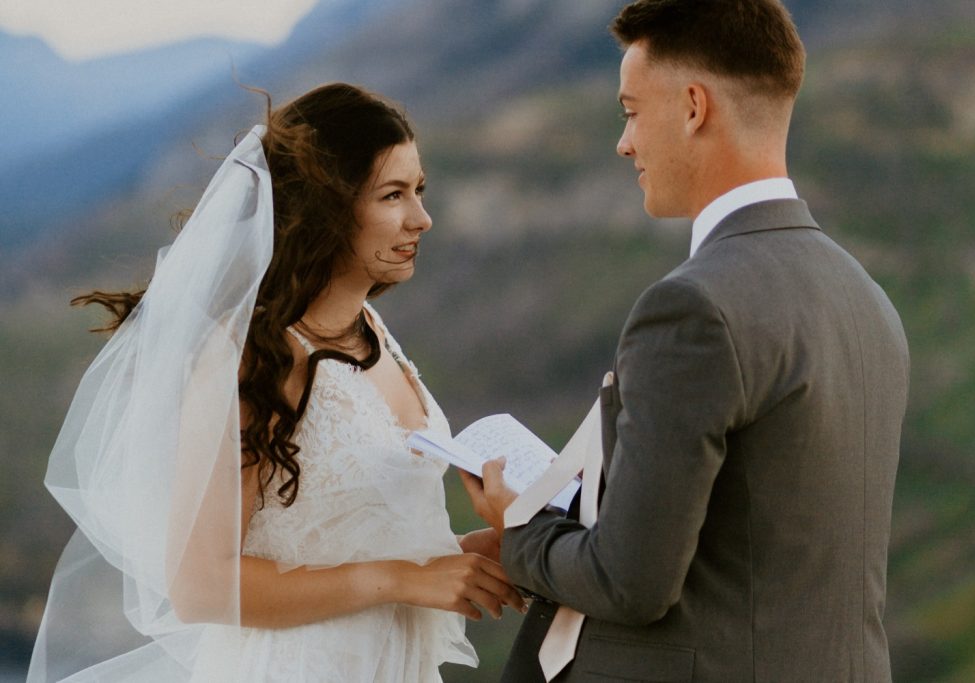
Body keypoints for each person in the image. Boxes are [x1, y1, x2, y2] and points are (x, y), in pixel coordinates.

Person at [461, 1, 910, 681]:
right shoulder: (869, 301)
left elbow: (630, 581)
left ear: (694, 107)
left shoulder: (692, 307)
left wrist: (522, 527)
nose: (625, 142)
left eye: (631, 111)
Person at [28, 82, 523, 683]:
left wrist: (473, 558)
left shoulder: (372, 329)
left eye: (419, 191)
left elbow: (351, 539)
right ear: (327, 207)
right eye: (393, 195)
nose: (421, 217)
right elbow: (203, 586)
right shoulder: (252, 359)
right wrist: (403, 577)